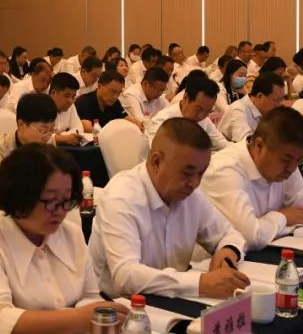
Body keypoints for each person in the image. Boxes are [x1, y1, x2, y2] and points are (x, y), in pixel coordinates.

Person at [0, 144, 117, 334]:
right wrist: (80, 319)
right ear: (19, 196)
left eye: (66, 200)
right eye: (50, 201)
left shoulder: (71, 234)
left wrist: (95, 315)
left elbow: (89, 297)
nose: (60, 211)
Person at [89, 118, 249, 298]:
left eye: (201, 173)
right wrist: (201, 283)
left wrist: (228, 252)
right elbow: (126, 277)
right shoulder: (121, 198)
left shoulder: (191, 196)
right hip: (117, 303)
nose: (195, 183)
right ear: (156, 162)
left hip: (173, 298)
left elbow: (230, 234)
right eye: (187, 173)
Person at [204, 108, 303, 249]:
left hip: (267, 252)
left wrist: (268, 227)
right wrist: (283, 217)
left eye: (298, 160)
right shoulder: (225, 169)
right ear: (259, 145)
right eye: (285, 160)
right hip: (215, 259)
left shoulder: (289, 162)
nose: (291, 168)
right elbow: (250, 237)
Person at [0, 94, 57, 193]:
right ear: (21, 124)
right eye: (42, 130)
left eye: (51, 129)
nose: (47, 136)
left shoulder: (49, 143)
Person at [145, 76, 228, 151]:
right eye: (198, 109)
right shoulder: (163, 120)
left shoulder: (203, 120)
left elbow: (223, 143)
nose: (202, 116)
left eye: (208, 111)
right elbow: (161, 154)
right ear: (185, 97)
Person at [219, 73, 285, 142]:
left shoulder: (266, 110)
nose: (279, 105)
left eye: (281, 100)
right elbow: (247, 143)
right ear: (260, 96)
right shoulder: (238, 110)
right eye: (277, 100)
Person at [50, 72, 84, 146]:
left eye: (73, 96)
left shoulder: (71, 107)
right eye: (66, 96)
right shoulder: (41, 106)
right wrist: (63, 138)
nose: (70, 101)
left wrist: (61, 136)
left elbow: (79, 129)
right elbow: (39, 136)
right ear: (53, 93)